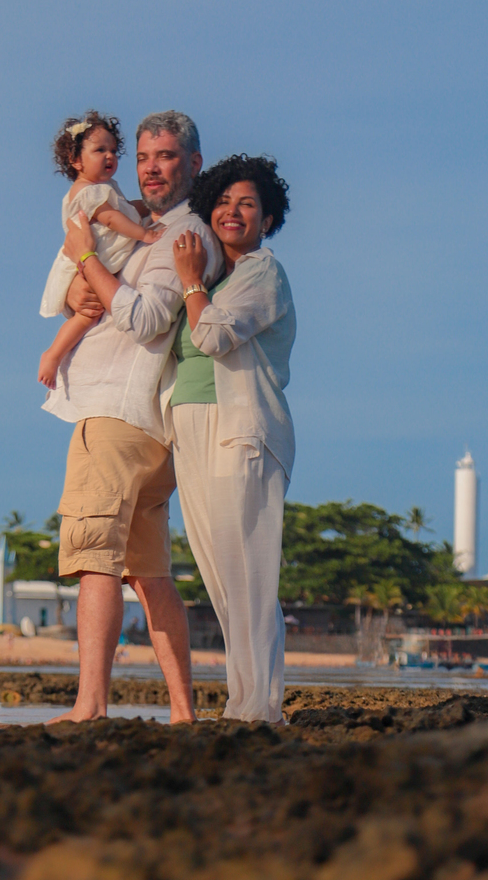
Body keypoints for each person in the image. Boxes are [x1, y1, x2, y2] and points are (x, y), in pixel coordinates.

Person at [44, 110, 223, 723]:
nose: (149, 168)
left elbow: (145, 319)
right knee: (148, 574)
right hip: (148, 426)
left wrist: (86, 259)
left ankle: (90, 706)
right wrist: (79, 282)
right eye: (144, 157)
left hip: (117, 412)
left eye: (165, 157)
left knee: (95, 555)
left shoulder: (183, 235)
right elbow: (87, 291)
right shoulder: (145, 224)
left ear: (193, 164)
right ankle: (183, 713)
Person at [167, 155, 295, 723]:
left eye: (247, 204)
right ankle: (242, 700)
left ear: (267, 219)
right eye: (222, 202)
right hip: (190, 429)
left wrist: (192, 281)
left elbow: (215, 335)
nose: (232, 212)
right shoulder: (218, 275)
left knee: (249, 569)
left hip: (240, 428)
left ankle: (261, 705)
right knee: (220, 573)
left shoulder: (262, 274)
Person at [38, 112, 163, 390]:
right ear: (76, 160)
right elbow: (112, 219)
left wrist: (148, 206)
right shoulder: (89, 193)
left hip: (101, 258)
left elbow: (126, 209)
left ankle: (56, 353)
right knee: (87, 314)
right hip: (96, 258)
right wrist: (144, 232)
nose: (109, 156)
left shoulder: (103, 188)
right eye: (99, 150)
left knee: (91, 311)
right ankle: (54, 354)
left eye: (113, 150)